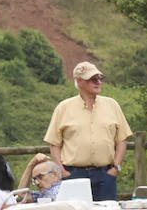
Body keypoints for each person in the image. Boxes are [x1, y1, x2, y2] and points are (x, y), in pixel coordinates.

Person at [44, 62, 133, 201]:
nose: (98, 82)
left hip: (106, 174)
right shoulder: (63, 108)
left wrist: (116, 167)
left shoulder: (112, 105)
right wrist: (62, 170)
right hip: (73, 174)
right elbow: (54, 143)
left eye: (99, 78)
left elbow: (122, 139)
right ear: (79, 81)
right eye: (93, 79)